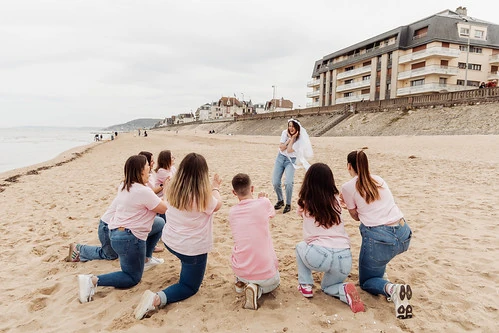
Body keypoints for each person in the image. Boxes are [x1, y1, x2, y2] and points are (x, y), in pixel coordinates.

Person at [134, 153, 222, 320]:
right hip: (191, 250)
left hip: (170, 241)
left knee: (186, 260)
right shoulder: (203, 197)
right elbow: (218, 204)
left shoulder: (172, 188)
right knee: (189, 286)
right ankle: (156, 299)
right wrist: (215, 186)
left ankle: (184, 265)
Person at [77, 154, 168, 303]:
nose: (150, 171)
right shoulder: (142, 191)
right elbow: (163, 208)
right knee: (132, 277)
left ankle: (146, 258)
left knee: (159, 223)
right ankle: (92, 280)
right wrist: (167, 190)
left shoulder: (125, 185)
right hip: (129, 239)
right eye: (147, 168)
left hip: (116, 234)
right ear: (140, 171)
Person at [340, 150, 413, 319]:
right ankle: (382, 274)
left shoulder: (348, 186)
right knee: (379, 257)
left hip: (381, 239)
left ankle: (393, 289)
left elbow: (356, 217)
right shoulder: (378, 179)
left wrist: (348, 205)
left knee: (366, 282)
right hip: (403, 233)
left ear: (349, 166)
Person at [295, 163, 364, 313]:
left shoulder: (305, 202)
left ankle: (306, 285)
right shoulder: (336, 201)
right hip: (343, 256)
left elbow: (301, 214)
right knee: (328, 287)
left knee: (300, 246)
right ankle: (344, 290)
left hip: (319, 254)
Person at [228, 173, 279, 310]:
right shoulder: (263, 203)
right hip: (266, 276)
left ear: (234, 192)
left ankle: (241, 282)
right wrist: (263, 199)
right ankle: (258, 290)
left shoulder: (232, 212)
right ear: (252, 188)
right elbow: (272, 214)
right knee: (275, 282)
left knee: (239, 249)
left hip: (242, 270)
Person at [271, 118, 313, 214]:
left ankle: (288, 204)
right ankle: (280, 200)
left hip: (291, 161)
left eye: (293, 126)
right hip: (280, 158)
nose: (291, 128)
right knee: (275, 182)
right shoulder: (284, 133)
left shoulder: (300, 138)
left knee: (288, 183)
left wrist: (293, 138)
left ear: (297, 127)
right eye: (289, 126)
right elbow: (281, 148)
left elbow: (289, 150)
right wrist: (289, 139)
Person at [154, 150, 177, 222]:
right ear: (167, 159)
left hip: (169, 195)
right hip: (162, 197)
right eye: (172, 157)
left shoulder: (172, 168)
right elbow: (174, 183)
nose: (174, 158)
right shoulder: (161, 171)